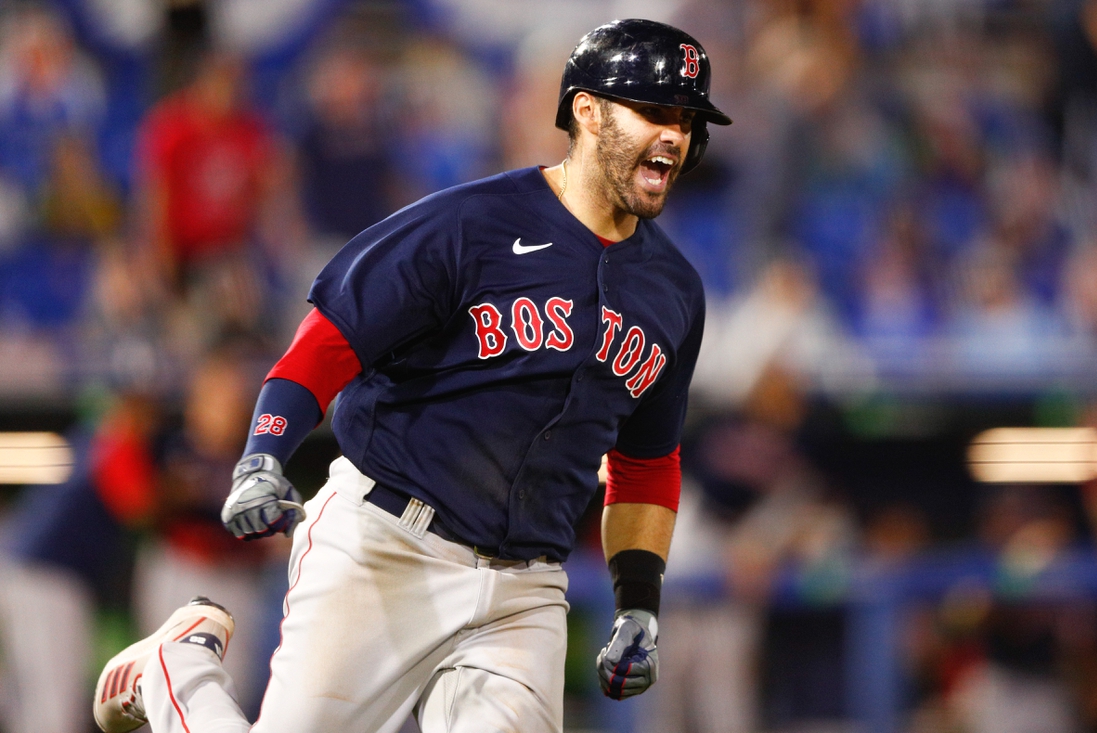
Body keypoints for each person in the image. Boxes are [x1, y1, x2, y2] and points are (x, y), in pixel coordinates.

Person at [92, 18, 730, 733]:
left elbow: (645, 462)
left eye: (686, 118)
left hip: (525, 589)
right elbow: (333, 337)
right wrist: (264, 450)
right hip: (388, 545)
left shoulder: (675, 290)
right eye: (654, 111)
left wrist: (638, 597)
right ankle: (177, 668)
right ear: (586, 110)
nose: (675, 134)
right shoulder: (474, 221)